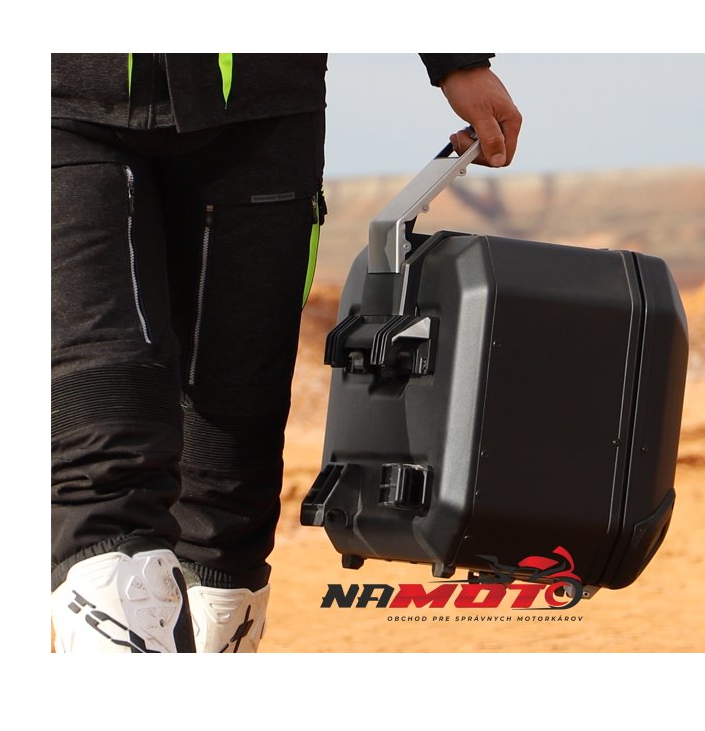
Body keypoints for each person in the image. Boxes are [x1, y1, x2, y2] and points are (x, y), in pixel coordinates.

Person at [51, 53, 522, 652]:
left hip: (263, 105)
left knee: (228, 481)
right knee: (104, 431)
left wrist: (458, 61)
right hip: (62, 102)